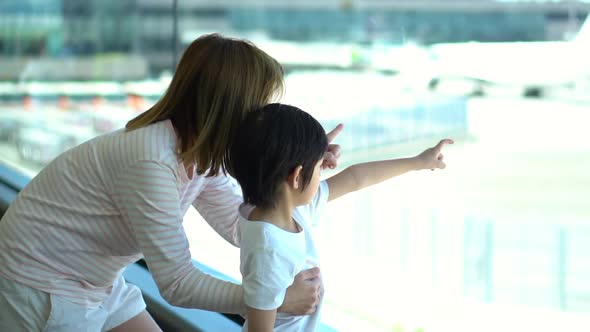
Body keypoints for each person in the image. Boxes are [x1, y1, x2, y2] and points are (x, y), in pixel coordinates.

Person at [0, 34, 342, 331]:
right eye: (260, 107)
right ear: (232, 108)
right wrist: (271, 301)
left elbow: (245, 229)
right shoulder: (151, 161)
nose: (263, 120)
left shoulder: (197, 155)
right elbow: (177, 283)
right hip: (40, 285)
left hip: (96, 281)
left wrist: (298, 168)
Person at [227, 103, 453, 332]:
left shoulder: (284, 209)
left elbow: (355, 178)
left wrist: (418, 162)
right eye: (317, 168)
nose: (322, 171)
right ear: (296, 177)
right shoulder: (269, 248)